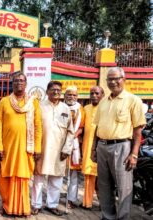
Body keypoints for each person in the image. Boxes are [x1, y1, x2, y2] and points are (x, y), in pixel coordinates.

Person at [92, 67, 146, 220]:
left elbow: (137, 131)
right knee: (104, 186)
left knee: (124, 187)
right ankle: (108, 217)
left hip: (122, 147)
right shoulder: (103, 102)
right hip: (102, 147)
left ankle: (123, 217)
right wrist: (93, 149)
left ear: (124, 79)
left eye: (117, 78)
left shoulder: (133, 100)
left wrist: (134, 154)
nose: (113, 82)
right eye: (110, 79)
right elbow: (97, 127)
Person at [0, 73, 42, 217]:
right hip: (8, 147)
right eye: (16, 81)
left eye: (21, 80)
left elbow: (38, 125)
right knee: (5, 177)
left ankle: (22, 208)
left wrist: (37, 148)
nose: (19, 83)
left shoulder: (33, 102)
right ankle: (7, 206)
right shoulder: (4, 101)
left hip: (25, 148)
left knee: (22, 177)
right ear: (12, 83)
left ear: (26, 83)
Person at [31, 81, 74, 216]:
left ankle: (52, 205)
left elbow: (70, 131)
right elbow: (32, 128)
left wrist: (66, 149)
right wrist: (34, 148)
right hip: (42, 149)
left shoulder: (65, 109)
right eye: (53, 89)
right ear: (47, 91)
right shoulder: (39, 106)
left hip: (59, 151)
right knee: (38, 179)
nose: (56, 92)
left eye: (58, 90)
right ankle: (36, 205)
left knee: (56, 180)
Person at [81, 86, 104, 209]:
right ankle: (87, 203)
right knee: (88, 176)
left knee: (101, 178)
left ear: (102, 95)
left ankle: (103, 203)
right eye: (91, 93)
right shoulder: (86, 108)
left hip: (100, 149)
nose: (94, 95)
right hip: (87, 147)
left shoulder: (106, 108)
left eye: (97, 93)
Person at [64, 86, 85, 208]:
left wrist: (71, 137)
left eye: (74, 95)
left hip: (74, 144)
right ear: (65, 95)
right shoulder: (61, 107)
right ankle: (53, 199)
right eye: (69, 94)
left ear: (77, 96)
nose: (71, 97)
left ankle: (71, 199)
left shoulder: (80, 109)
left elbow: (81, 128)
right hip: (60, 143)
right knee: (57, 173)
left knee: (73, 174)